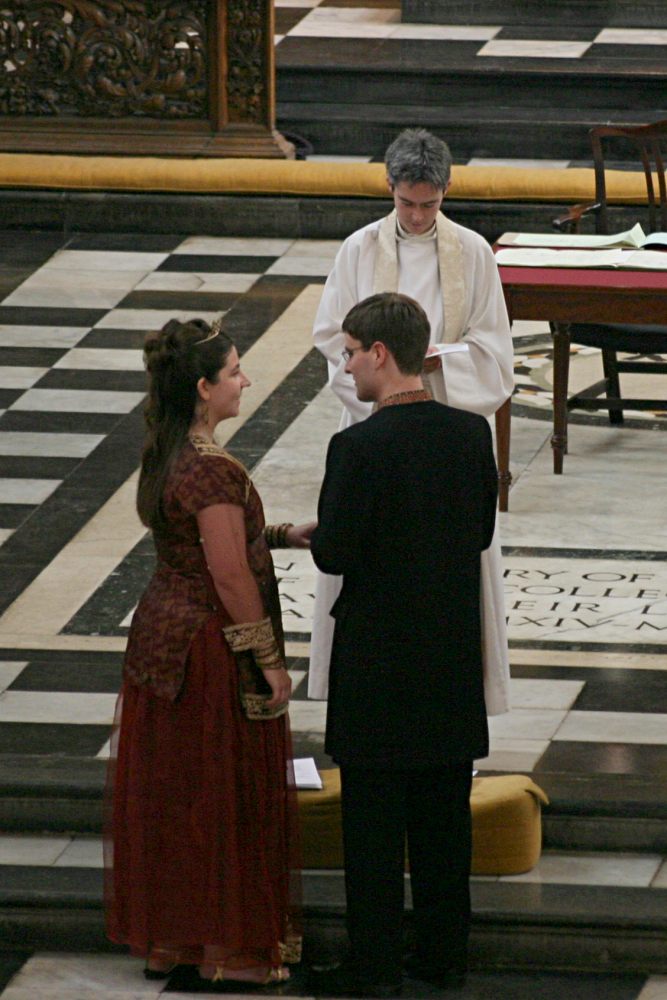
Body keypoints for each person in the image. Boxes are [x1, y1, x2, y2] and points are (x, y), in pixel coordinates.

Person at [104, 317, 315, 987]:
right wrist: (269, 661)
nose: (245, 380)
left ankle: (172, 941)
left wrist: (279, 534)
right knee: (219, 801)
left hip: (159, 640)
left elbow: (193, 540)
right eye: (233, 371)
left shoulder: (166, 448)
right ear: (202, 388)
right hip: (206, 652)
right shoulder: (212, 470)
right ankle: (231, 951)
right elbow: (228, 575)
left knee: (175, 796)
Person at [310, 293, 498, 998]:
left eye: (351, 352)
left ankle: (376, 966)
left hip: (377, 665)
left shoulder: (357, 447)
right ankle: (443, 958)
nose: (347, 366)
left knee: (374, 829)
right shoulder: (469, 435)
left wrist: (318, 535)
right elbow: (478, 532)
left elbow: (335, 553)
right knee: (445, 823)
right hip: (449, 658)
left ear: (380, 354)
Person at [309, 127, 512, 715]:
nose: (418, 216)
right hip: (374, 432)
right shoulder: (359, 249)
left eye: (430, 204)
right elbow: (332, 338)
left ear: (445, 192)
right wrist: (383, 379)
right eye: (406, 203)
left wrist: (437, 362)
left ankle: (453, 696)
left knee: (446, 573)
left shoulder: (472, 251)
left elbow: (494, 347)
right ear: (389, 187)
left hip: (445, 429)